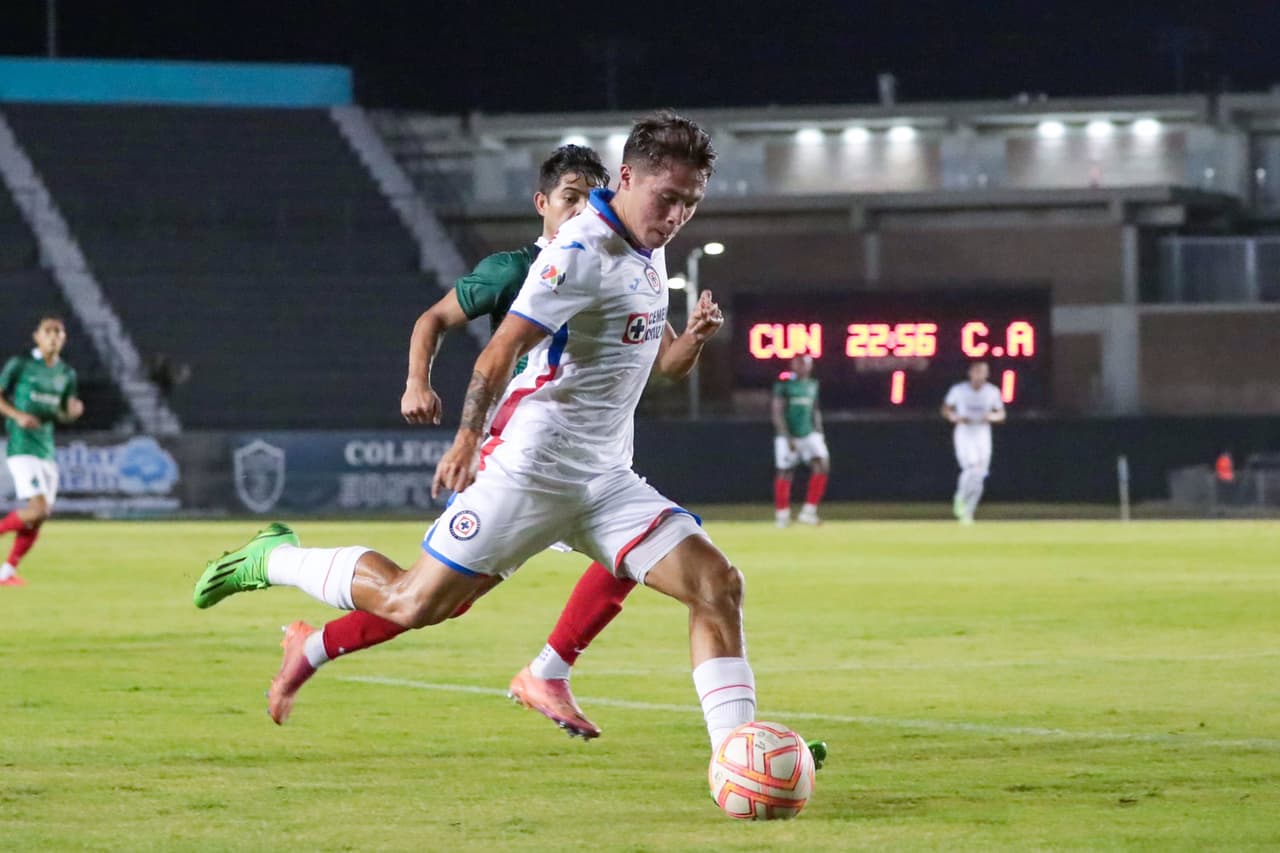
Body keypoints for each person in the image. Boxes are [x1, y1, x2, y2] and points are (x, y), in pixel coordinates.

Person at [194, 112, 763, 759]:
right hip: (529, 470)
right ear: (628, 178)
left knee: (718, 584)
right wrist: (466, 439)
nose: (678, 215)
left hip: (605, 479)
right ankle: (274, 558)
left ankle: (737, 757)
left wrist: (691, 340)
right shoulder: (579, 254)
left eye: (691, 202)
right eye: (668, 199)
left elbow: (656, 361)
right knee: (413, 603)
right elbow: (497, 353)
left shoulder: (649, 244)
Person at [399, 143, 630, 738]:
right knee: (436, 601)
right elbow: (432, 319)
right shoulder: (513, 270)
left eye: (590, 200)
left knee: (643, 549)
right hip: (511, 452)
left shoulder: (612, 261)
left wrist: (695, 338)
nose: (581, 211)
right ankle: (299, 595)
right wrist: (417, 383)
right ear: (542, 203)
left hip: (577, 456)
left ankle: (548, 671)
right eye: (569, 199)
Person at [0, 315, 84, 586]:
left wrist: (72, 413)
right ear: (37, 336)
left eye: (58, 332)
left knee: (40, 517)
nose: (53, 336)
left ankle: (7, 572)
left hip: (45, 449)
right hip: (21, 446)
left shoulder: (66, 374)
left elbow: (63, 413)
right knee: (37, 509)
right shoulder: (21, 365)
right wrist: (16, 415)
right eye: (48, 331)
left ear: (64, 339)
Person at [941, 361, 1005, 524]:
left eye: (983, 372)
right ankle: (961, 496)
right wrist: (955, 417)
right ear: (970, 373)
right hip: (964, 432)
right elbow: (946, 409)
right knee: (971, 467)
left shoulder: (992, 391)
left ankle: (968, 513)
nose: (979, 375)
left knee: (980, 474)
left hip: (982, 433)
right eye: (976, 372)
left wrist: (990, 417)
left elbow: (1001, 414)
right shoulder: (959, 390)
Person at [772, 355, 829, 527]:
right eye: (799, 363)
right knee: (785, 471)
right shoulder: (784, 386)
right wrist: (786, 436)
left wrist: (819, 431)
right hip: (788, 435)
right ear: (793, 365)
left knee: (822, 465)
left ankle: (809, 512)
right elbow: (777, 412)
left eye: (806, 363)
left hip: (809, 433)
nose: (802, 367)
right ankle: (782, 515)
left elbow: (815, 410)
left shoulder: (812, 385)